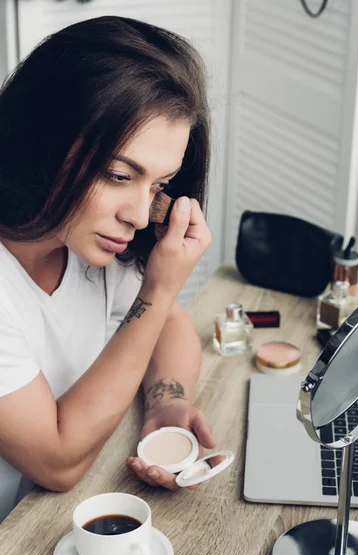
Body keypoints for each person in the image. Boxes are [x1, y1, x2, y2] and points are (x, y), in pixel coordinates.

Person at [0, 15, 216, 522]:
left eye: (158, 186)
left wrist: (166, 404)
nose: (139, 216)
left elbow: (171, 328)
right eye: (119, 175)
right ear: (41, 142)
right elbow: (57, 460)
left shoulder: (83, 242)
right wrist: (160, 289)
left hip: (56, 522)